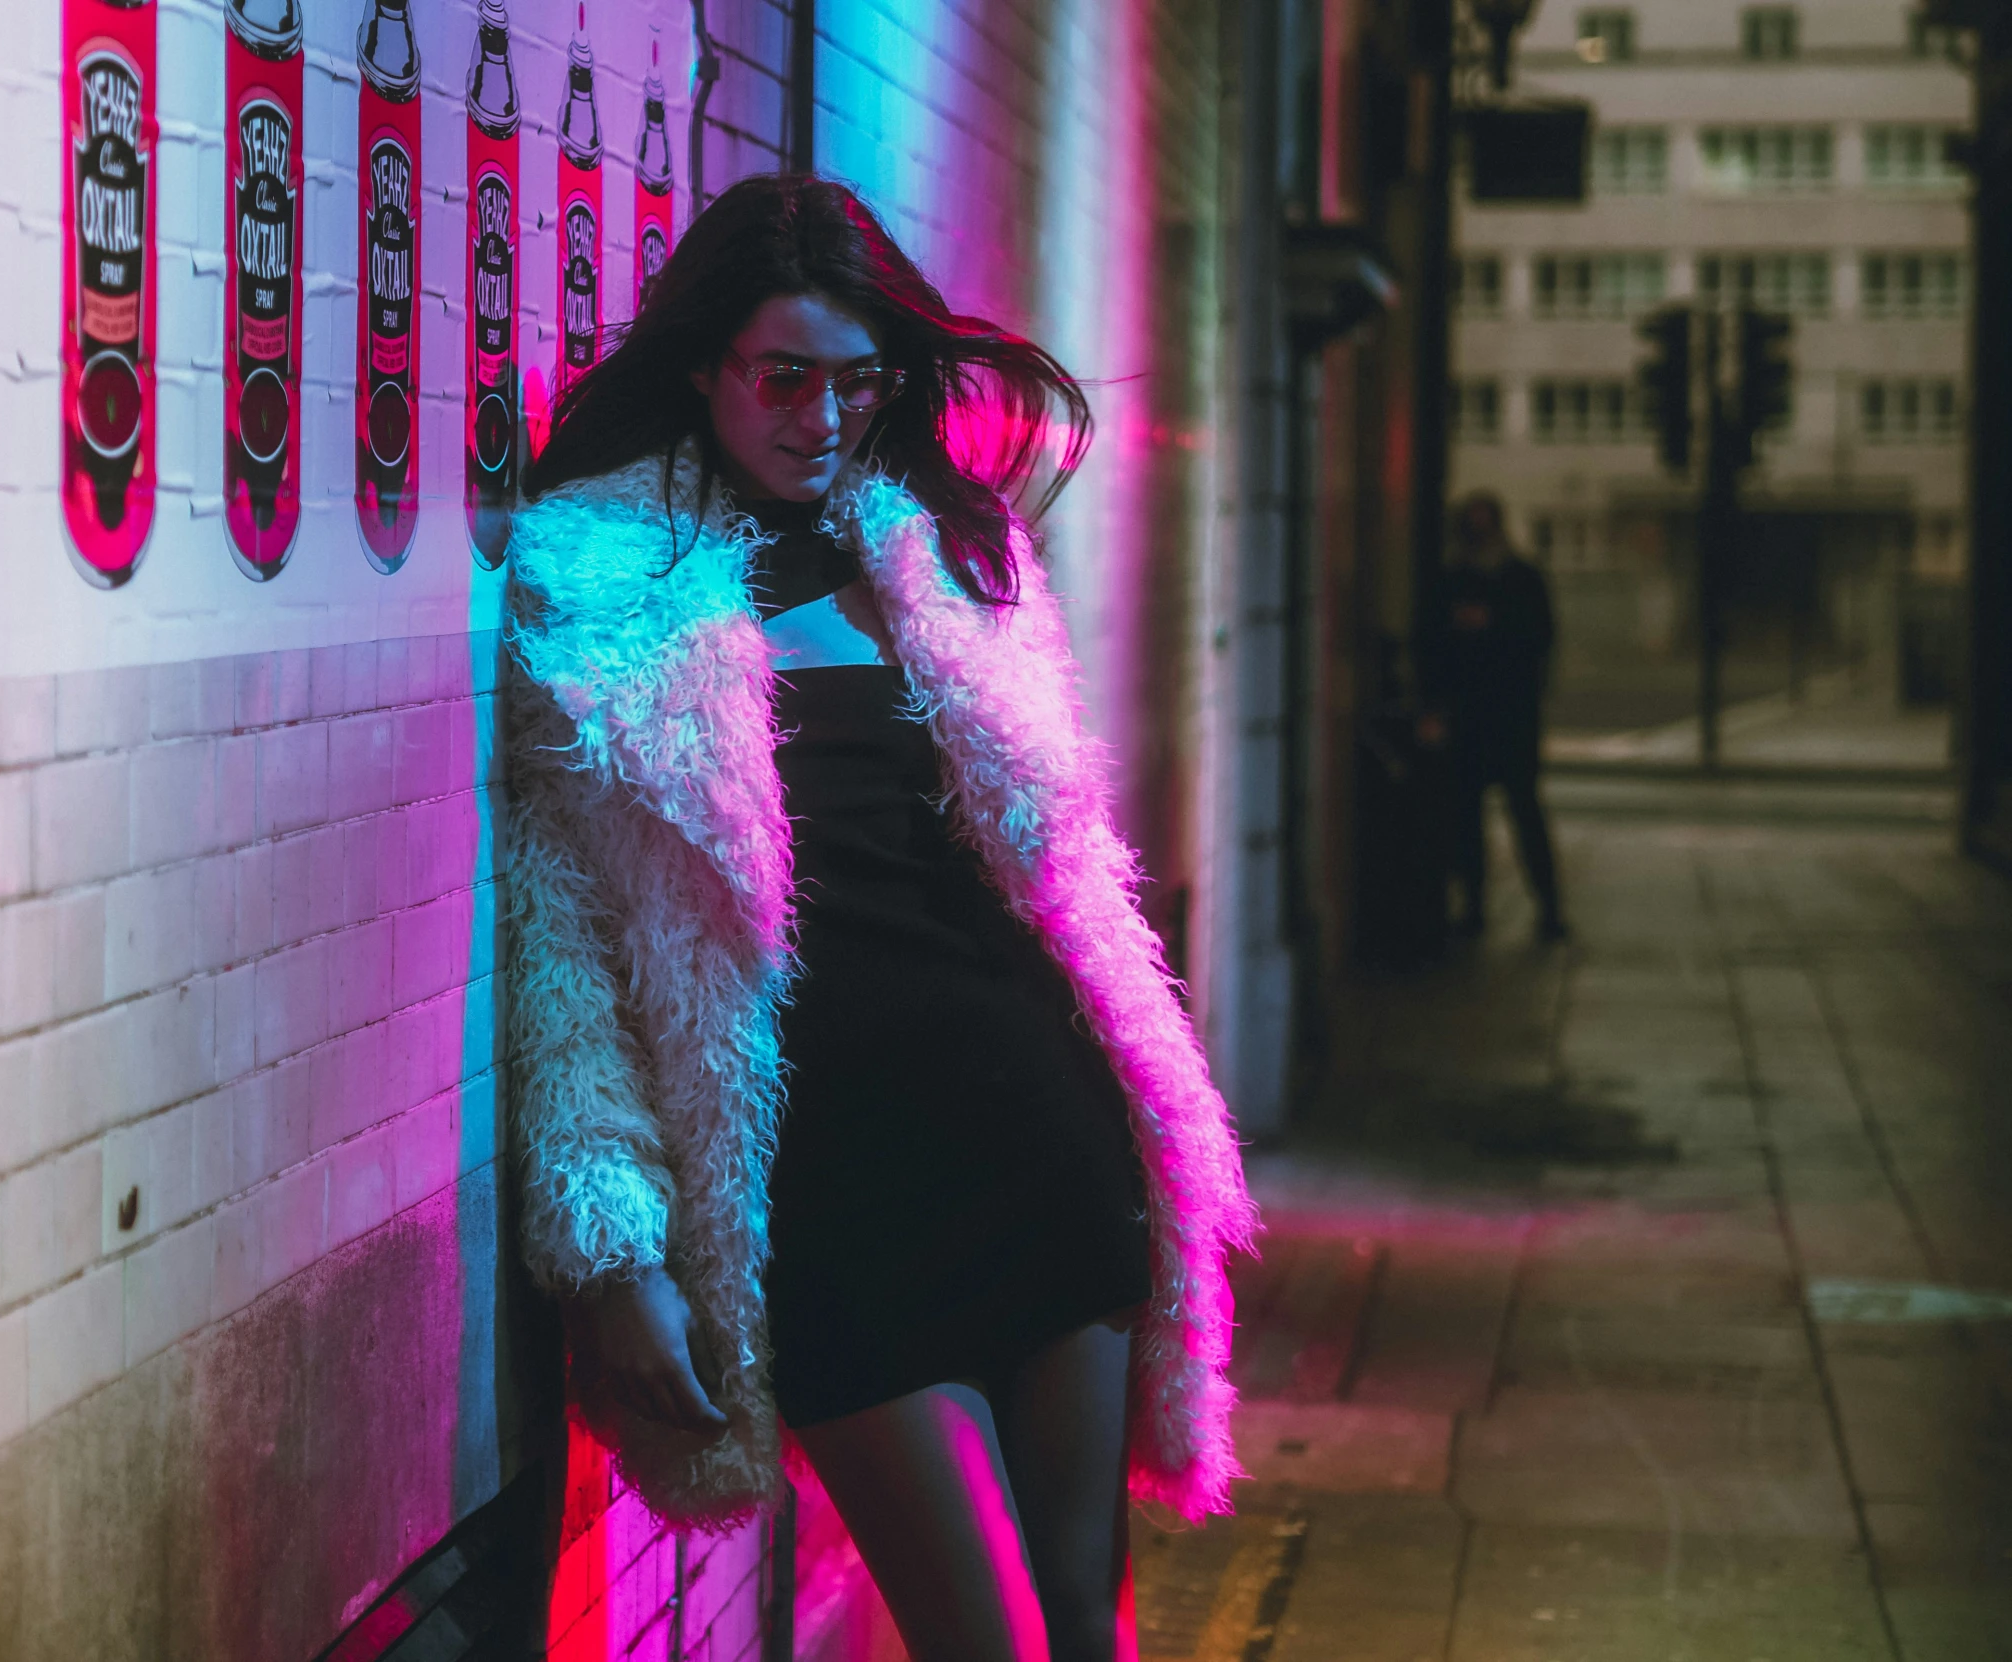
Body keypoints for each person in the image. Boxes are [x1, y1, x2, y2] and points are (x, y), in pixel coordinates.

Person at [500, 174, 1255, 1661]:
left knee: (1086, 1638)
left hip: (1037, 1139)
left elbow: (1048, 867)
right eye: (787, 378)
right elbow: (565, 954)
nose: (826, 418)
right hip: (834, 1196)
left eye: (861, 382)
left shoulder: (942, 557)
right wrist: (611, 1250)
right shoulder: (598, 584)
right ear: (708, 365)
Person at [1423, 492, 1568, 943]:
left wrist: (1491, 624)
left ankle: (1547, 907)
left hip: (1508, 714)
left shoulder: (1519, 578)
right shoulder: (1457, 579)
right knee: (1470, 813)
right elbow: (1436, 647)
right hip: (1476, 713)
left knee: (1522, 808)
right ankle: (1476, 906)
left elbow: (1540, 637)